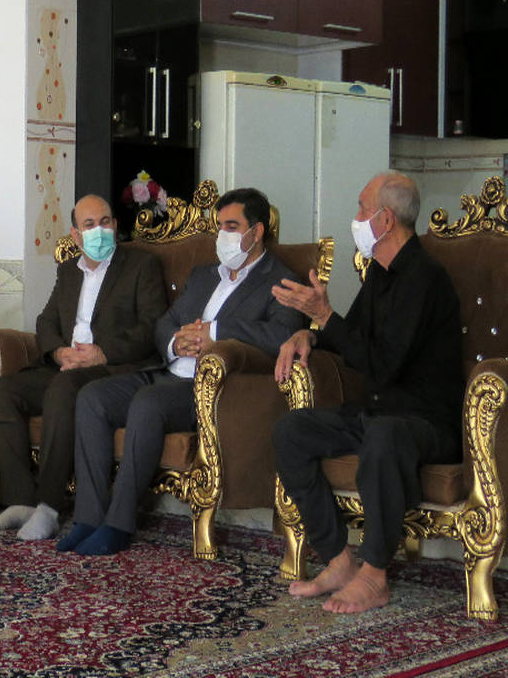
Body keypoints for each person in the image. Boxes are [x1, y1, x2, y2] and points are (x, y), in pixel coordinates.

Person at [59, 187, 302, 555]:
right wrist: (176, 341)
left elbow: (280, 334)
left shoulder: (281, 280)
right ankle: (88, 518)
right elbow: (165, 323)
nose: (222, 236)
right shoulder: (205, 275)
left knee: (148, 402)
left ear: (257, 231)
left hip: (209, 388)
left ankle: (118, 525)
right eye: (219, 227)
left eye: (232, 227)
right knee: (93, 397)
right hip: (167, 369)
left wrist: (214, 333)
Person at [270, 172, 463, 614]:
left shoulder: (425, 278)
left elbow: (384, 363)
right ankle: (340, 561)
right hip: (377, 412)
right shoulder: (380, 272)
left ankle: (375, 575)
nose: (356, 217)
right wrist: (309, 335)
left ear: (386, 219)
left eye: (362, 208)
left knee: (383, 435)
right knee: (291, 431)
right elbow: (351, 336)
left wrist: (324, 314)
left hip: (425, 421)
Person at [0, 194, 168, 541]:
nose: (100, 230)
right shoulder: (69, 271)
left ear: (115, 225)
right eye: (90, 225)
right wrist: (58, 353)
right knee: (2, 391)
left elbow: (152, 327)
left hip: (111, 369)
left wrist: (102, 353)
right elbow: (46, 321)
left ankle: (49, 506)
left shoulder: (141, 266)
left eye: (105, 222)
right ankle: (22, 500)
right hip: (67, 365)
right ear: (76, 235)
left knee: (63, 389)